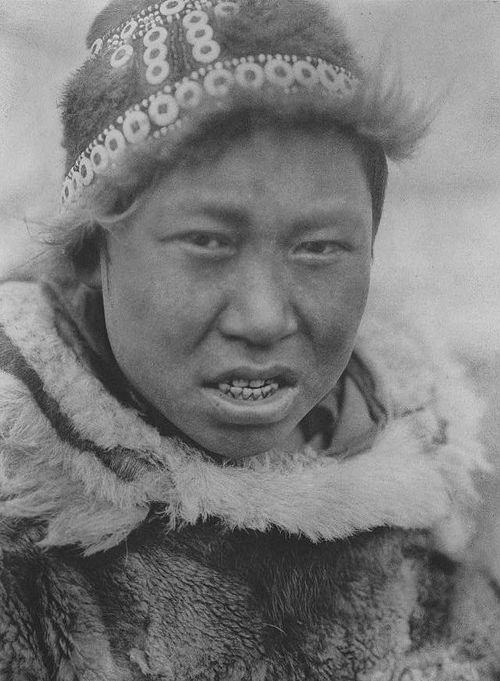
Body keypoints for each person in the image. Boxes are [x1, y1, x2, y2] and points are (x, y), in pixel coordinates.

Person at [0, 0, 498, 678]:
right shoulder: (23, 545)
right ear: (93, 253)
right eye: (207, 242)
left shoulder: (443, 515)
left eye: (320, 247)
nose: (263, 318)